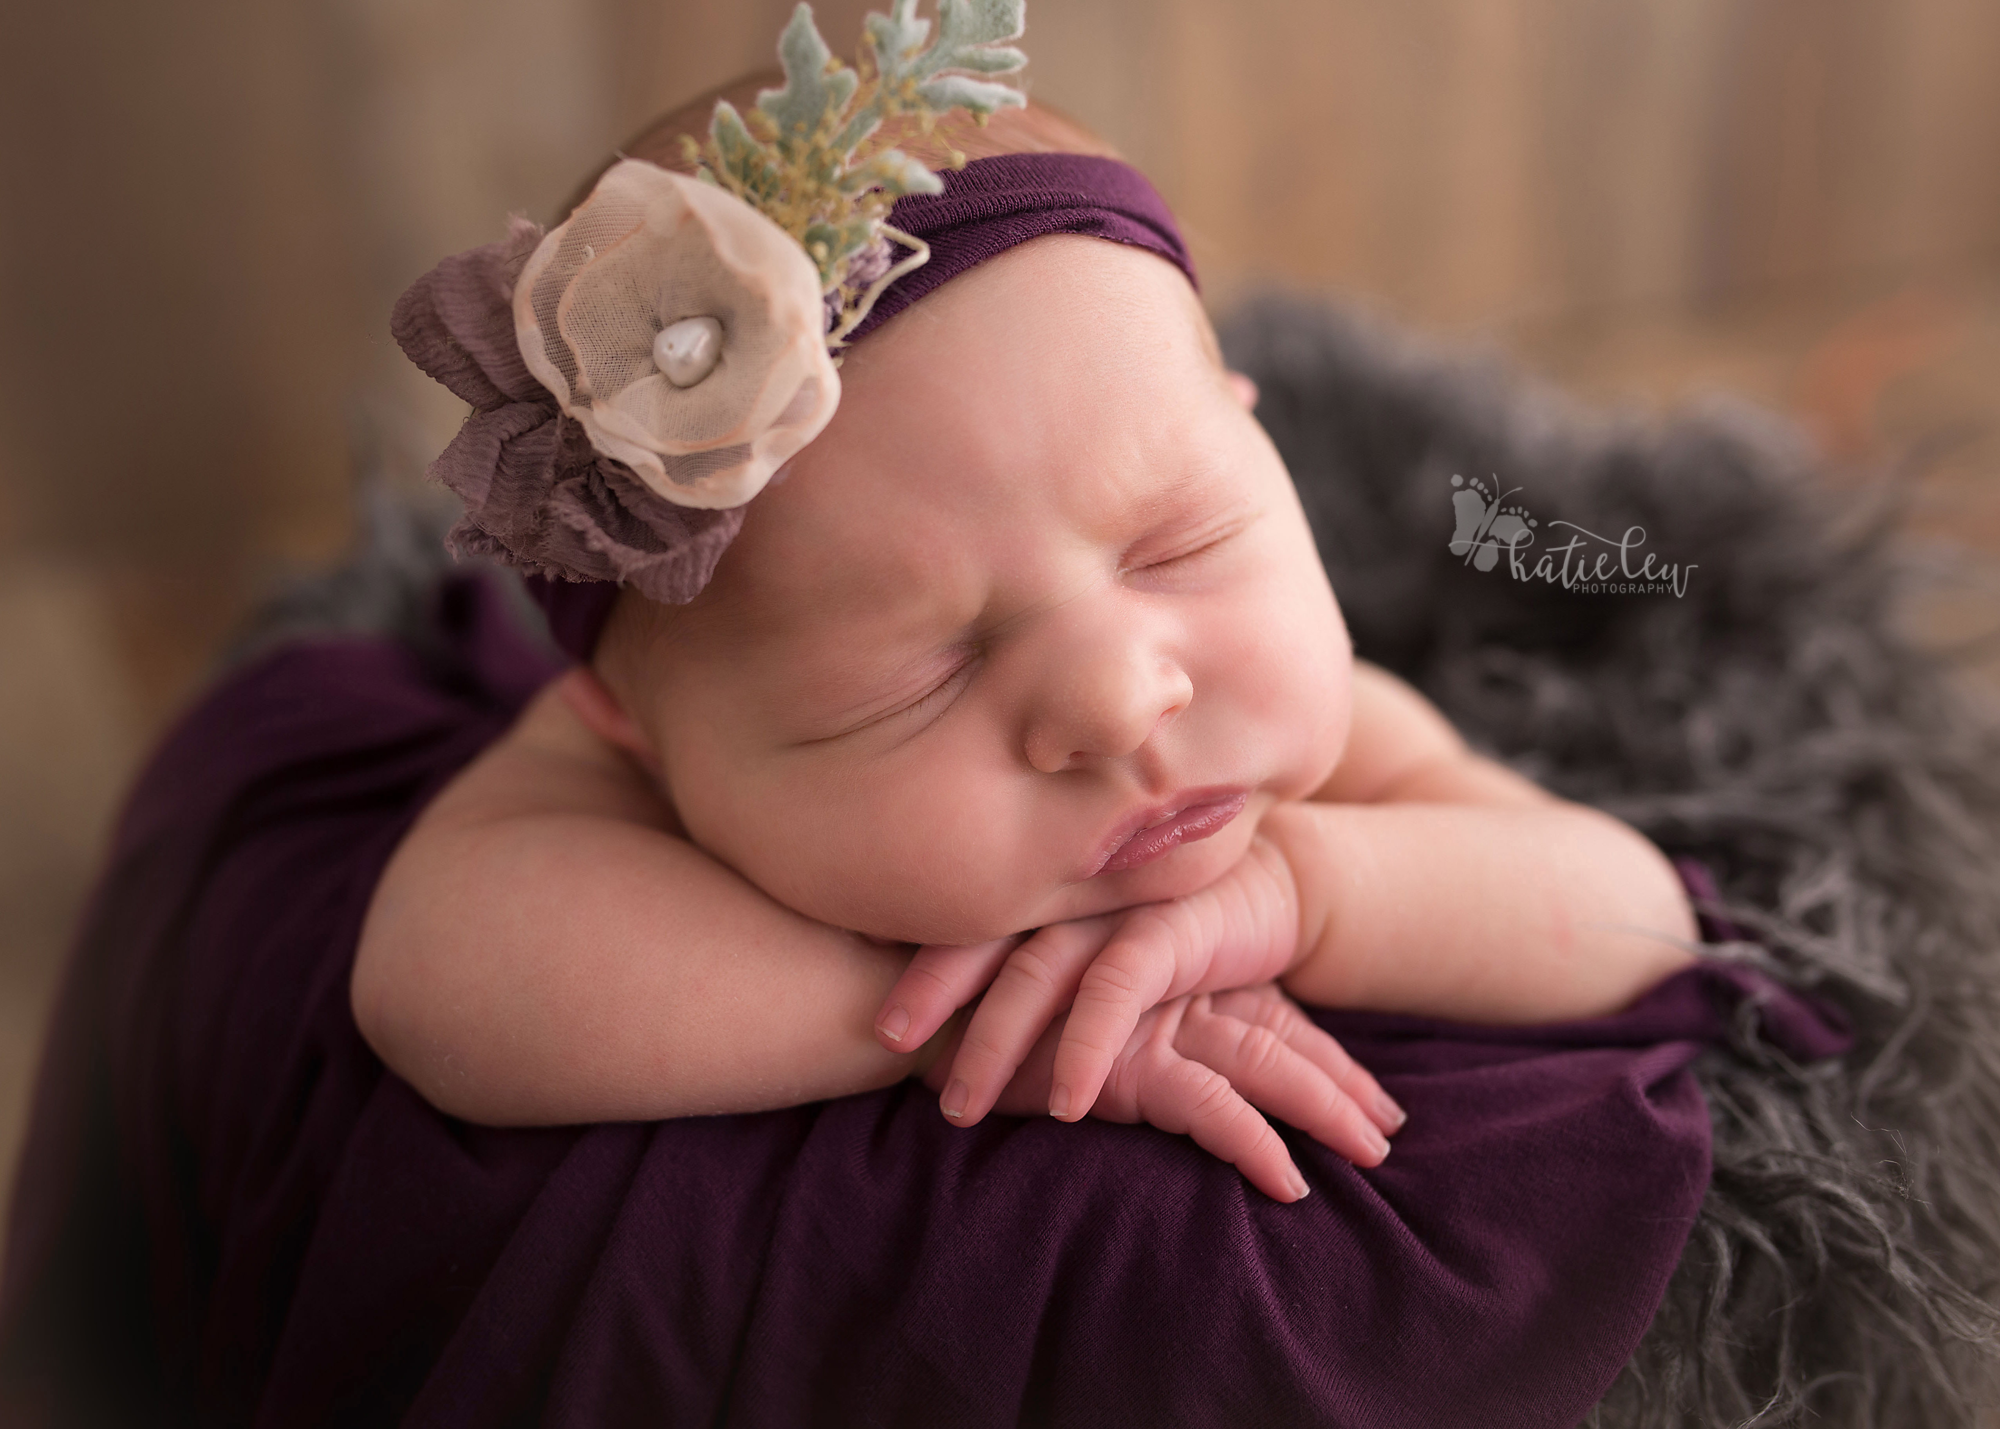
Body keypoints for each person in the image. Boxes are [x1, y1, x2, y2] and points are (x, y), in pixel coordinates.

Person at [356, 62, 1699, 1210]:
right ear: (637, 732)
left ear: (1259, 440)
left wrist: (1305, 891)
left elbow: (1632, 917)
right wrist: (944, 1014)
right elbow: (436, 993)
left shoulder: (1337, 742)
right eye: (926, 674)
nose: (1120, 698)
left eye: (1176, 545)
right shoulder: (598, 778)